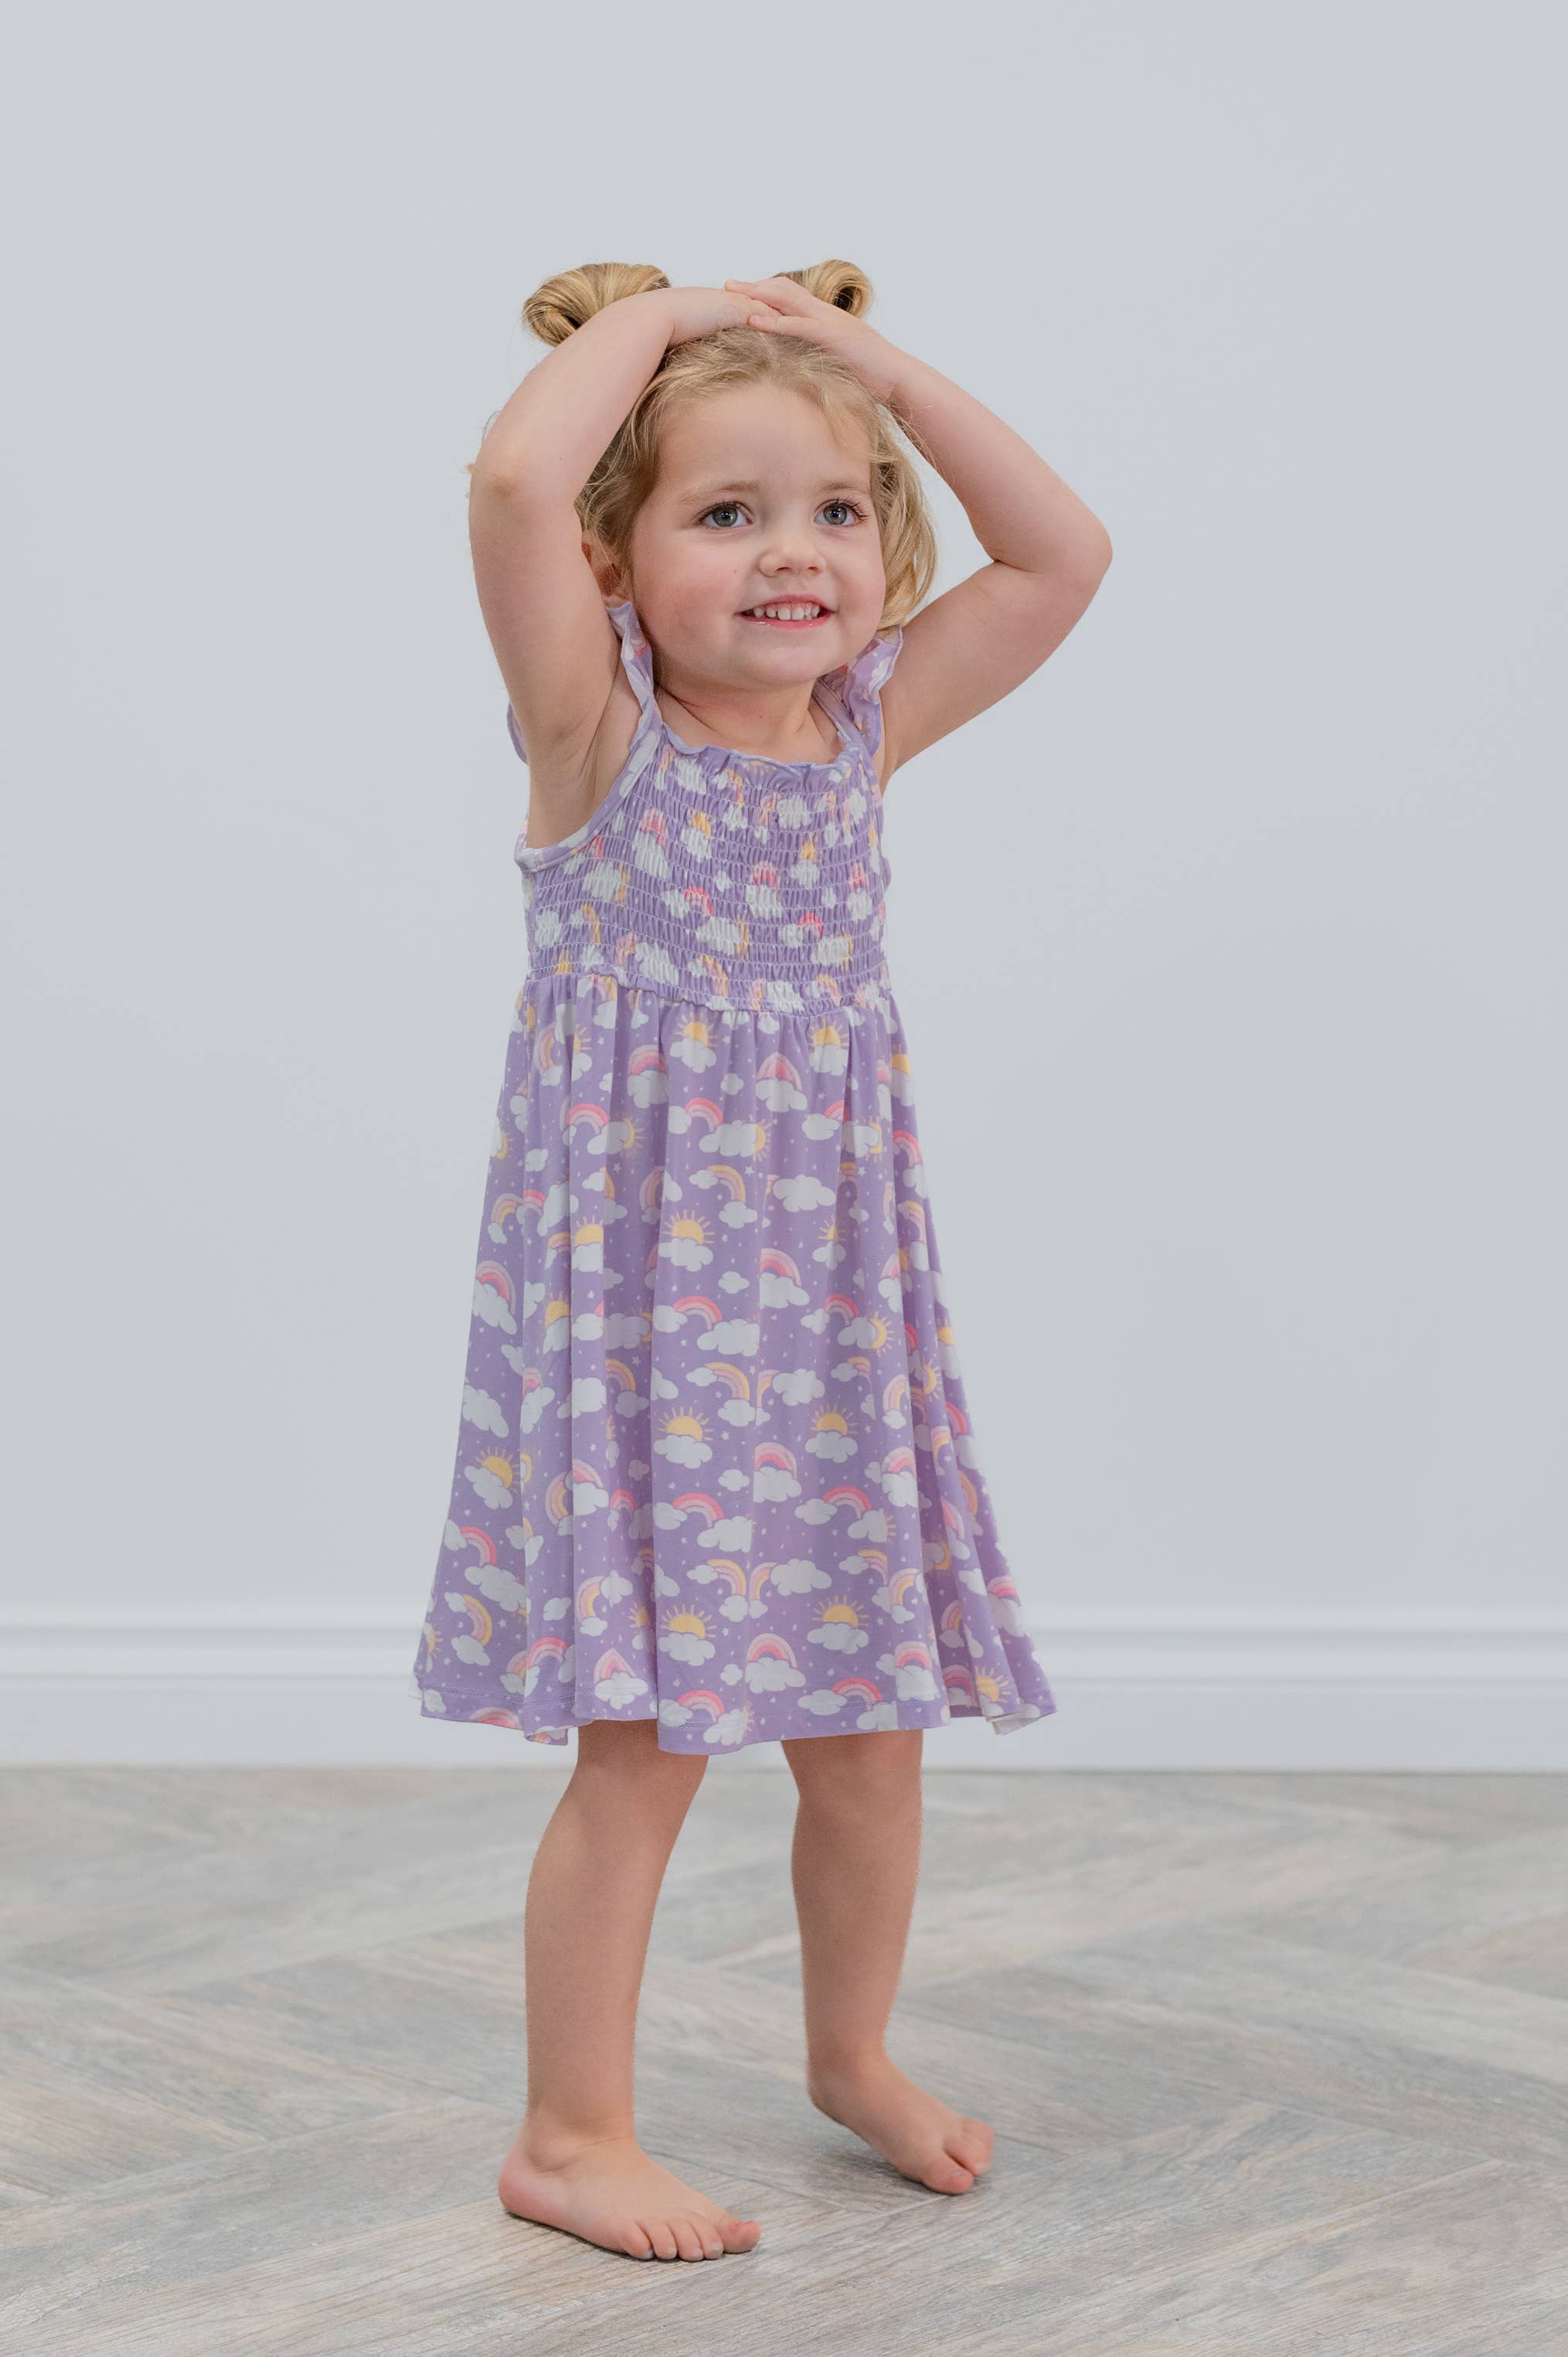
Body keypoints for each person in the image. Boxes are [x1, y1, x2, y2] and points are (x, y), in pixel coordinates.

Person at [409, 260, 1113, 2263]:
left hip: (829, 1326)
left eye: (834, 509)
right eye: (725, 512)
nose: (793, 553)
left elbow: (1063, 554)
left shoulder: (863, 727)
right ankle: (570, 2129)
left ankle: (850, 2053)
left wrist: (862, 363)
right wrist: (651, 328)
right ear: (616, 560)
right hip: (650, 1336)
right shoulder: (599, 734)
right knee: (647, 1749)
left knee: (872, 1734)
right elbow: (509, 485)